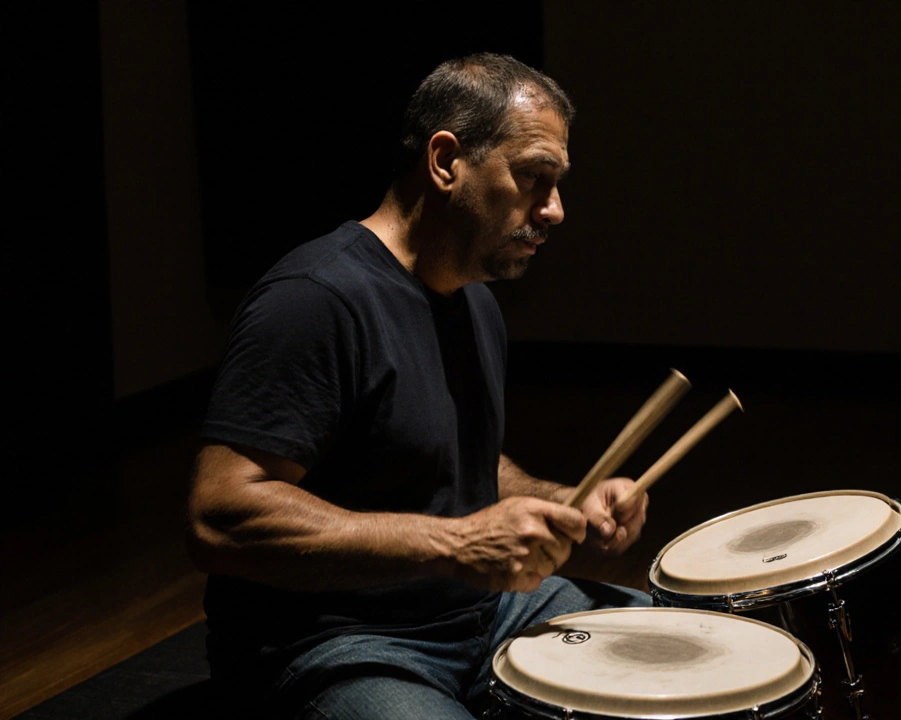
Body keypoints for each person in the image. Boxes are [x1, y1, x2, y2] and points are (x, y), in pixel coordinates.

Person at [186, 53, 651, 720]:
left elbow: (453, 461)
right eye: (532, 179)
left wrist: (567, 502)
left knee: (677, 643)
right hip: (335, 640)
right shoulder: (315, 300)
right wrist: (458, 545)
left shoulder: (472, 298)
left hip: (478, 613)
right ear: (445, 162)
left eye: (557, 184)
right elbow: (218, 516)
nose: (554, 210)